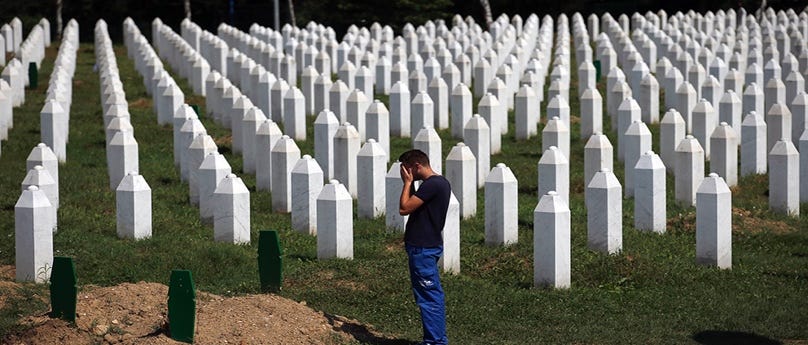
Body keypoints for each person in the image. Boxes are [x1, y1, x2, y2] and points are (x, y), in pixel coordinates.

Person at [398, 149, 451, 345]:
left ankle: (435, 341)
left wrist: (407, 183)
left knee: (429, 298)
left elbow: (404, 208)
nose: (405, 172)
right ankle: (436, 339)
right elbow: (411, 204)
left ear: (417, 166)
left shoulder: (433, 185)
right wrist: (410, 184)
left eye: (407, 168)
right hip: (423, 248)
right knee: (428, 296)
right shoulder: (436, 184)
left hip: (423, 249)